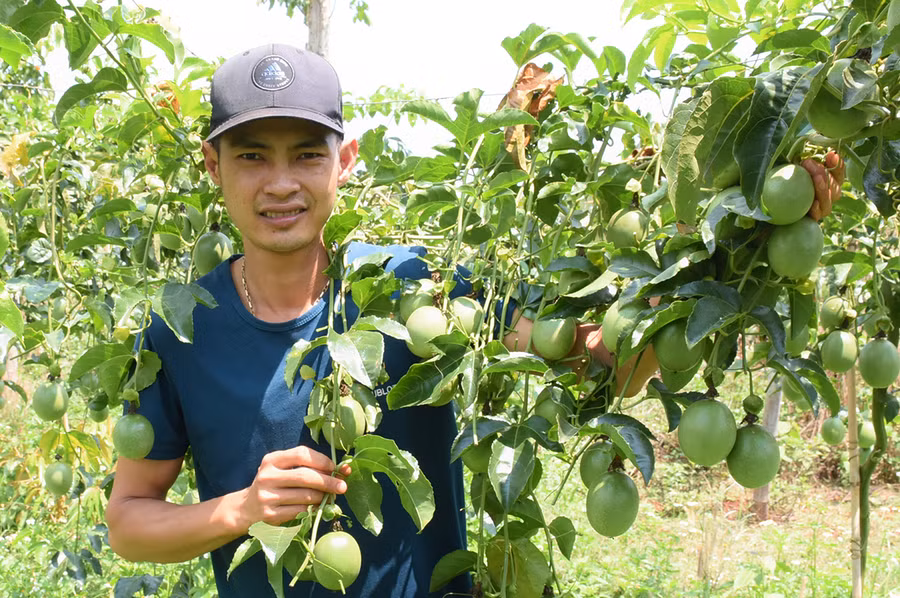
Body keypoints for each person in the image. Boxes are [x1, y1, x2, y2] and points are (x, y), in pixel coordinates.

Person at [105, 43, 843, 598]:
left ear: (345, 161)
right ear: (213, 166)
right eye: (251, 156)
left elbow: (603, 367)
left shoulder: (417, 289)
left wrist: (729, 243)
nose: (280, 183)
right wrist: (238, 509)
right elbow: (130, 523)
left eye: (305, 155)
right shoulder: (178, 327)